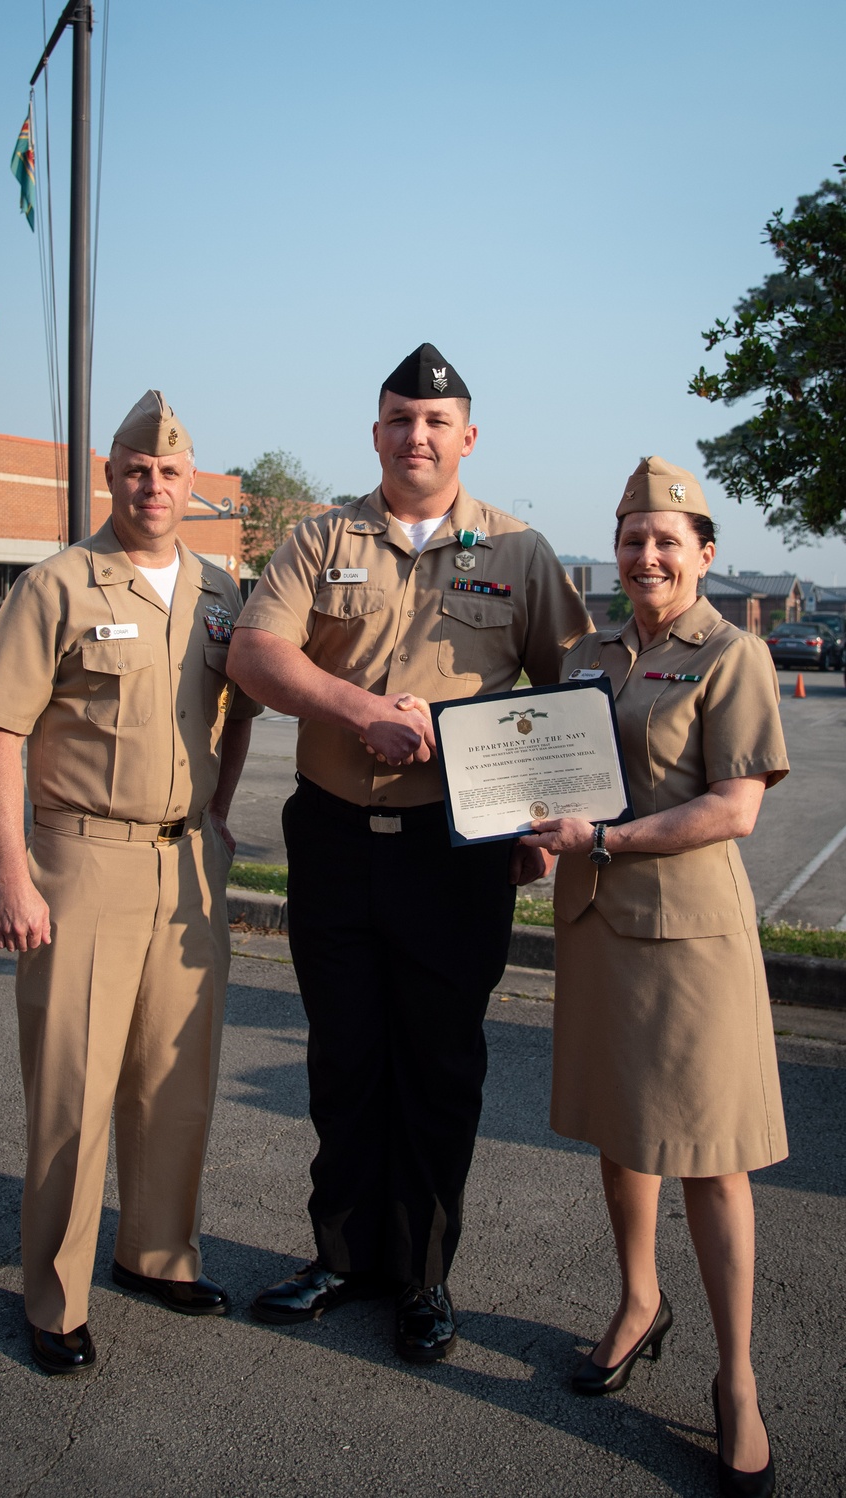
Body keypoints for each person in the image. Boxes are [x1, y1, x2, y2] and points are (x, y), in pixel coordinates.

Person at [226, 343, 591, 1362]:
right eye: (398, 418)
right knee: (344, 1055)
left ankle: (424, 1276)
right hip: (335, 834)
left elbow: (571, 697)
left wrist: (544, 831)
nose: (415, 435)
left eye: (435, 422)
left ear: (466, 437)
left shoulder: (520, 553)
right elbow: (259, 652)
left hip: (453, 850)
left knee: (438, 1064)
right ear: (375, 432)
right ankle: (341, 1258)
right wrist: (356, 711)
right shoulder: (319, 537)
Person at [0, 391, 260, 1375]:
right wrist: (14, 873)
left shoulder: (221, 593)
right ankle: (55, 1294)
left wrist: (214, 817)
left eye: (171, 472)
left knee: (175, 1079)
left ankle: (157, 1252)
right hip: (80, 860)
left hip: (185, 869)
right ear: (110, 474)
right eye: (137, 468)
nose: (153, 485)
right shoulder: (57, 585)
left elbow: (239, 709)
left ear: (190, 483)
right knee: (73, 1089)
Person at [520, 456, 787, 1498]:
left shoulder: (732, 654)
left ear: (704, 553)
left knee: (711, 1157)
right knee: (620, 1130)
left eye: (666, 539)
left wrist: (607, 837)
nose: (646, 553)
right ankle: (637, 1302)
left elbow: (734, 808)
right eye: (632, 536)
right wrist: (534, 838)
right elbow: (557, 776)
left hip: (687, 938)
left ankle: (736, 1381)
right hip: (593, 922)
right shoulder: (592, 652)